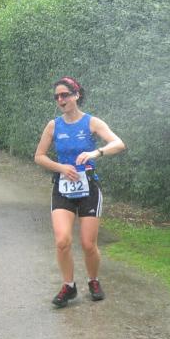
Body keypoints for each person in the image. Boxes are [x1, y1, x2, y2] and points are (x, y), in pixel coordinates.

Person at [34, 76, 126, 308]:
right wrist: (61, 168)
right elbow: (39, 156)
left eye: (65, 95)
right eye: (56, 96)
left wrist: (96, 153)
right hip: (63, 188)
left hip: (88, 189)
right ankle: (69, 286)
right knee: (62, 241)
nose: (60, 99)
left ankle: (93, 280)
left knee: (88, 244)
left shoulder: (91, 122)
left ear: (76, 95)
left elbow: (118, 143)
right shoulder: (53, 125)